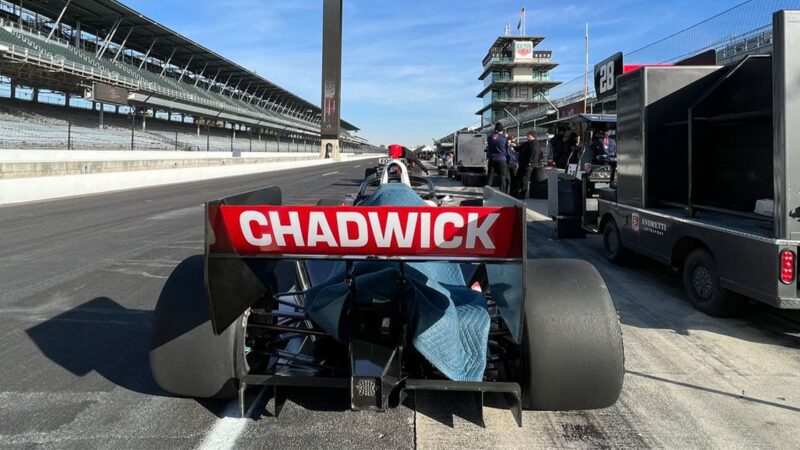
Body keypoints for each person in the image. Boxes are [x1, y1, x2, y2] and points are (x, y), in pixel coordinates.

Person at [514, 131, 540, 199]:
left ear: (532, 136)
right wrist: (514, 145)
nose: (527, 137)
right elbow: (519, 148)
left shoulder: (535, 144)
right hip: (522, 164)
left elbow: (534, 154)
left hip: (529, 164)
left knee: (525, 179)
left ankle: (523, 193)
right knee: (519, 177)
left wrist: (530, 162)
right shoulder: (527, 143)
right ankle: (517, 191)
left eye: (528, 136)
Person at [486, 123, 510, 192]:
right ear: (501, 130)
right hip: (502, 159)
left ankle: (487, 192)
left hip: (492, 159)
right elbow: (507, 150)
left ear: (495, 129)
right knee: (502, 178)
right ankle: (502, 193)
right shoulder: (504, 138)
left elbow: (489, 148)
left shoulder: (489, 137)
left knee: (490, 176)